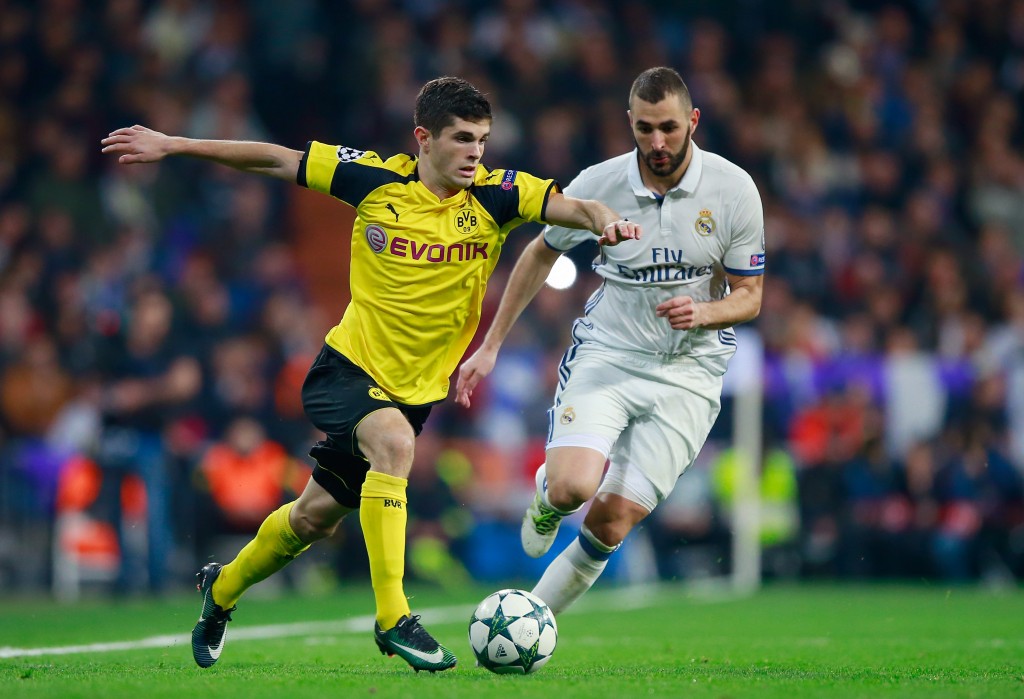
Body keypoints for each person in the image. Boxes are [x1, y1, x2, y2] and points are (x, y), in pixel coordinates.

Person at [100, 76, 640, 672]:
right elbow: (277, 159)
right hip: (348, 370)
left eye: (482, 141)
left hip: (414, 391)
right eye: (462, 139)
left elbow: (576, 206)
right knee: (393, 444)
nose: (475, 154)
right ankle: (393, 618)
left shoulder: (497, 197)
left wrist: (604, 221)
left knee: (311, 519)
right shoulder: (375, 180)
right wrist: (174, 144)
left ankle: (221, 590)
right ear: (423, 139)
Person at [456, 67, 764, 616]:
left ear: (693, 120)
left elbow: (751, 294)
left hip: (690, 374)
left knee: (612, 520)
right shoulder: (600, 184)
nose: (658, 142)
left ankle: (532, 620)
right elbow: (539, 252)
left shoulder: (733, 189)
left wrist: (705, 311)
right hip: (611, 355)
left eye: (669, 127)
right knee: (574, 490)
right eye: (644, 128)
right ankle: (549, 495)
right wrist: (492, 343)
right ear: (630, 123)